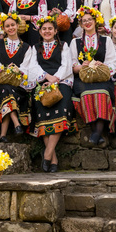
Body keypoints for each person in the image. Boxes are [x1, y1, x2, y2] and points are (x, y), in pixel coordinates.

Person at [28, 16, 76, 172]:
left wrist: (55, 80)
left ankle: (47, 154)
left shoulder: (64, 46)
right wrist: (47, 78)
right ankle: (52, 158)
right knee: (42, 112)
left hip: (61, 82)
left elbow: (66, 65)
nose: (47, 31)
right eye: (44, 29)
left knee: (61, 108)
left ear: (56, 31)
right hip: (43, 82)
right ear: (40, 32)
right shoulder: (34, 48)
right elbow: (33, 67)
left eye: (50, 28)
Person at [70, 6, 116, 145]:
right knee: (86, 94)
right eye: (84, 20)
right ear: (80, 24)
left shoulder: (106, 40)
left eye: (89, 19)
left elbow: (113, 63)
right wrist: (81, 67)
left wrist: (101, 66)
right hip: (83, 78)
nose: (87, 22)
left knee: (102, 93)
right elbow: (72, 64)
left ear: (96, 20)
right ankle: (97, 133)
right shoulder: (75, 42)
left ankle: (96, 133)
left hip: (102, 77)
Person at [0, 13, 34, 142]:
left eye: (13, 25)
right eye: (7, 26)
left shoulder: (26, 47)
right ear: (4, 28)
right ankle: (16, 124)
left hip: (18, 84)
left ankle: (3, 134)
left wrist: (17, 70)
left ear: (18, 26)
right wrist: (1, 68)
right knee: (5, 89)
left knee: (7, 91)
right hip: (1, 81)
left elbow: (27, 66)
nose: (11, 28)